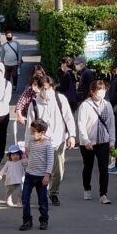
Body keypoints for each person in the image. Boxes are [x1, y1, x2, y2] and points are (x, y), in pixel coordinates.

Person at [24, 75, 76, 206]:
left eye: (48, 88)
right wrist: (27, 145)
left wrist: (72, 136)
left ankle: (53, 193)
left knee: (58, 171)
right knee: (40, 170)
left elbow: (69, 118)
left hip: (58, 140)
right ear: (39, 88)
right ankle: (43, 195)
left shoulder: (60, 99)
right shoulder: (34, 103)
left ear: (52, 87)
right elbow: (29, 125)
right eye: (43, 88)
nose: (45, 91)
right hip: (39, 142)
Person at [76, 79, 116, 204]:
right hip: (88, 142)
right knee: (88, 166)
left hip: (103, 140)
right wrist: (85, 139)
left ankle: (103, 194)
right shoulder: (85, 105)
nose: (101, 92)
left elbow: (111, 124)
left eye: (103, 89)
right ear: (92, 91)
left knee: (103, 168)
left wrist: (112, 141)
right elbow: (81, 124)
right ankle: (87, 188)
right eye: (99, 90)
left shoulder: (107, 105)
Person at [21, 120, 53, 231]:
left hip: (41, 177)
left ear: (42, 132)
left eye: (34, 131)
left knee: (42, 200)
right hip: (29, 175)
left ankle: (44, 220)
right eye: (31, 130)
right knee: (25, 198)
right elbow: (29, 153)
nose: (31, 133)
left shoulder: (48, 144)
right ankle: (27, 220)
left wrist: (47, 175)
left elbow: (50, 161)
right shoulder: (31, 141)